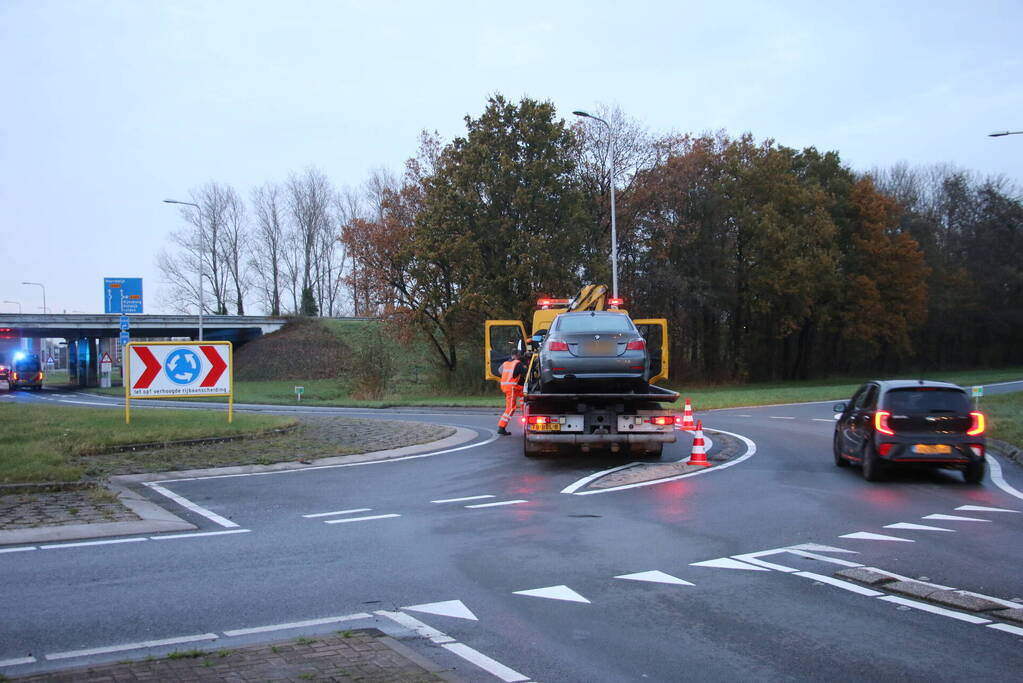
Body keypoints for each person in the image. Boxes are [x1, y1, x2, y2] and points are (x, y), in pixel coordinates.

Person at [496, 350, 525, 435]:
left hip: (508, 386)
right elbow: (524, 373)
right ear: (517, 355)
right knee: (511, 408)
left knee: (523, 393)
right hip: (511, 387)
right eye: (520, 355)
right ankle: (501, 427)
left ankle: (524, 408)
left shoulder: (505, 363)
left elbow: (500, 371)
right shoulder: (518, 363)